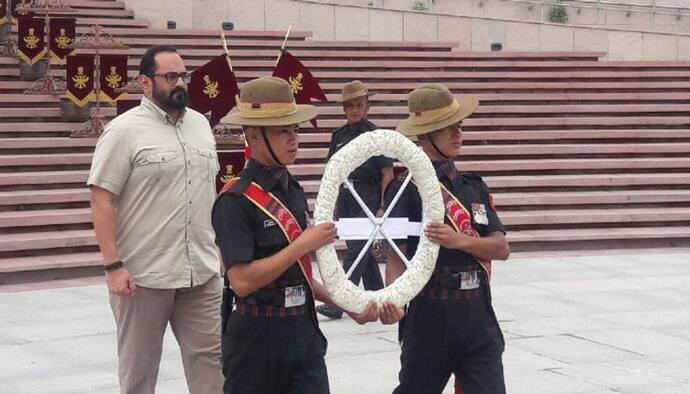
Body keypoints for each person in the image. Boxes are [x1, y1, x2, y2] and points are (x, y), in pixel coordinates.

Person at [212, 76, 378, 394]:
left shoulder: (293, 191)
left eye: (295, 130)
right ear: (253, 137)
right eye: (281, 131)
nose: (293, 139)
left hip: (302, 332)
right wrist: (302, 244)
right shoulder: (234, 200)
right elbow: (242, 280)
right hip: (257, 340)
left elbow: (299, 274)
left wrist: (346, 303)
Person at [88, 45, 223, 394]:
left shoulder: (202, 125)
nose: (181, 83)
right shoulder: (123, 131)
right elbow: (102, 199)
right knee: (139, 374)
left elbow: (210, 193)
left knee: (214, 368)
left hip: (201, 274)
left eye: (184, 76)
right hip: (143, 278)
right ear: (144, 83)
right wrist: (113, 265)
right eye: (171, 76)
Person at [379, 83, 511, 394]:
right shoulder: (404, 188)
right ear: (423, 136)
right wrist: (394, 298)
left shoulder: (472, 187)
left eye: (458, 126)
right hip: (430, 313)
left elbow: (501, 248)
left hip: (477, 315)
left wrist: (458, 241)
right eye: (446, 128)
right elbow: (394, 252)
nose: (457, 134)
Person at [316, 80, 394, 320]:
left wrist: (384, 205)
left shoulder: (376, 135)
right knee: (360, 250)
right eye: (349, 106)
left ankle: (340, 302)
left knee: (357, 251)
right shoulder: (338, 136)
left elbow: (387, 173)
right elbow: (333, 171)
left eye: (358, 105)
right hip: (347, 197)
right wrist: (336, 204)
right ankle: (379, 296)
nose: (354, 110)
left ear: (367, 107)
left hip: (369, 197)